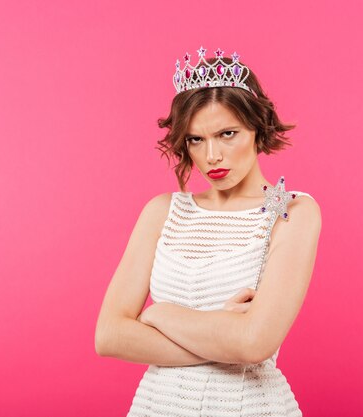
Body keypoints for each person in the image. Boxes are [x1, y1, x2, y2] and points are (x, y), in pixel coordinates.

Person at [94, 46, 322, 416]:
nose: (211, 155)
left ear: (256, 128)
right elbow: (109, 336)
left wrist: (159, 315)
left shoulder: (292, 211)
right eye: (196, 139)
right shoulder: (162, 211)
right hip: (157, 406)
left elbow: (253, 345)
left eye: (227, 133)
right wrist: (221, 338)